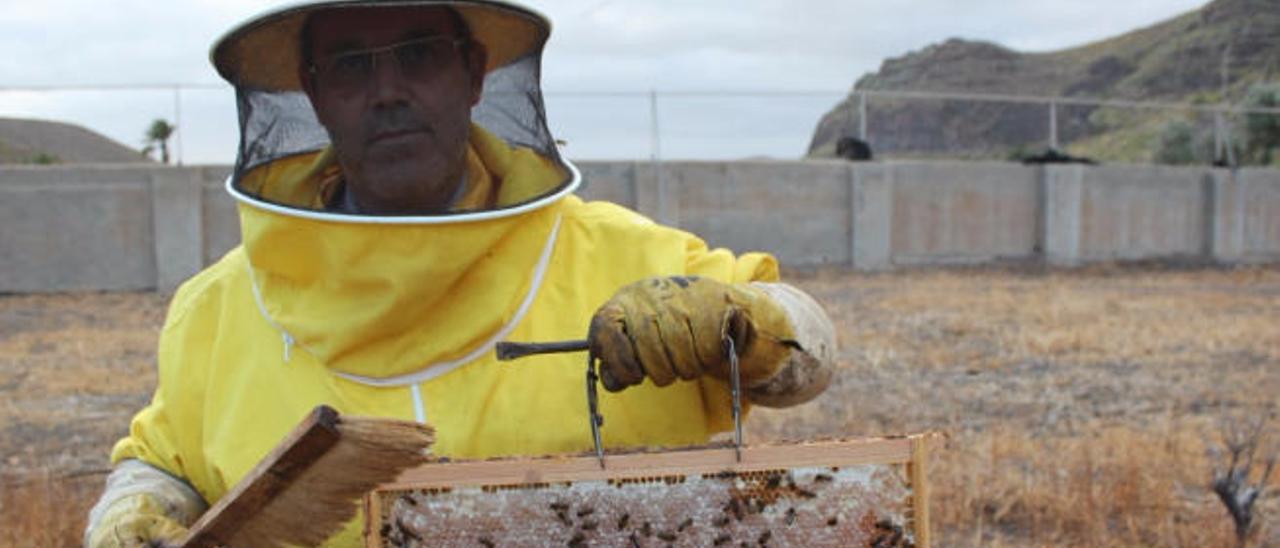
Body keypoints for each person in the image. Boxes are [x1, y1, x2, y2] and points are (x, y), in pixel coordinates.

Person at [83, 1, 837, 546]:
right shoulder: (215, 308)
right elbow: (161, 463)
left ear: (473, 72)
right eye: (351, 64)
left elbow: (809, 354)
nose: (388, 92)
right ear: (313, 94)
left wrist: (743, 325)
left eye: (419, 52)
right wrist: (132, 516)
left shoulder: (624, 254)